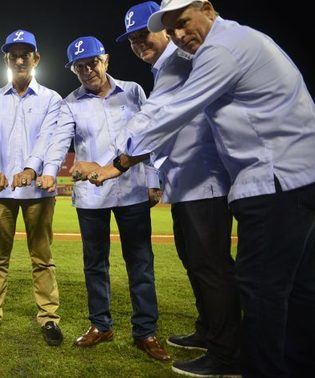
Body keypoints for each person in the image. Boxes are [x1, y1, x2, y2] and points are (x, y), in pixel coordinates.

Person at [93, 1, 315, 376]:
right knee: (298, 289)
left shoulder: (219, 50)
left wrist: (118, 163)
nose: (180, 35)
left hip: (272, 180)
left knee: (260, 290)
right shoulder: (237, 39)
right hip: (294, 177)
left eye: (182, 23)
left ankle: (241, 360)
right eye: (174, 27)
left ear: (207, 8)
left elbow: (171, 113)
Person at [114, 1, 241, 375]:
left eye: (144, 35)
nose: (139, 44)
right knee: (195, 261)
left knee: (211, 267)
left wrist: (116, 162)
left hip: (206, 182)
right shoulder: (165, 67)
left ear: (165, 30)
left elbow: (157, 121)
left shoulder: (181, 61)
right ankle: (209, 331)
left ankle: (227, 354)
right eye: (133, 40)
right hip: (186, 184)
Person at [37, 36, 169, 361]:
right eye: (79, 66)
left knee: (140, 263)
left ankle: (145, 332)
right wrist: (50, 171)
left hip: (133, 190)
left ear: (105, 60)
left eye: (92, 62)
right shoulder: (70, 103)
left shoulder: (134, 91)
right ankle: (101, 325)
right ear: (73, 70)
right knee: (95, 265)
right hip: (92, 197)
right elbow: (58, 142)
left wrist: (153, 180)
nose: (87, 70)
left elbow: (148, 137)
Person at [0, 29, 63, 346]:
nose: (20, 59)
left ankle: (48, 318)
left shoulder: (52, 99)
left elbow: (49, 139)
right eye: (14, 55)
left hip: (37, 190)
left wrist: (30, 169)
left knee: (42, 257)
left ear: (36, 59)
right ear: (7, 60)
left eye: (26, 54)